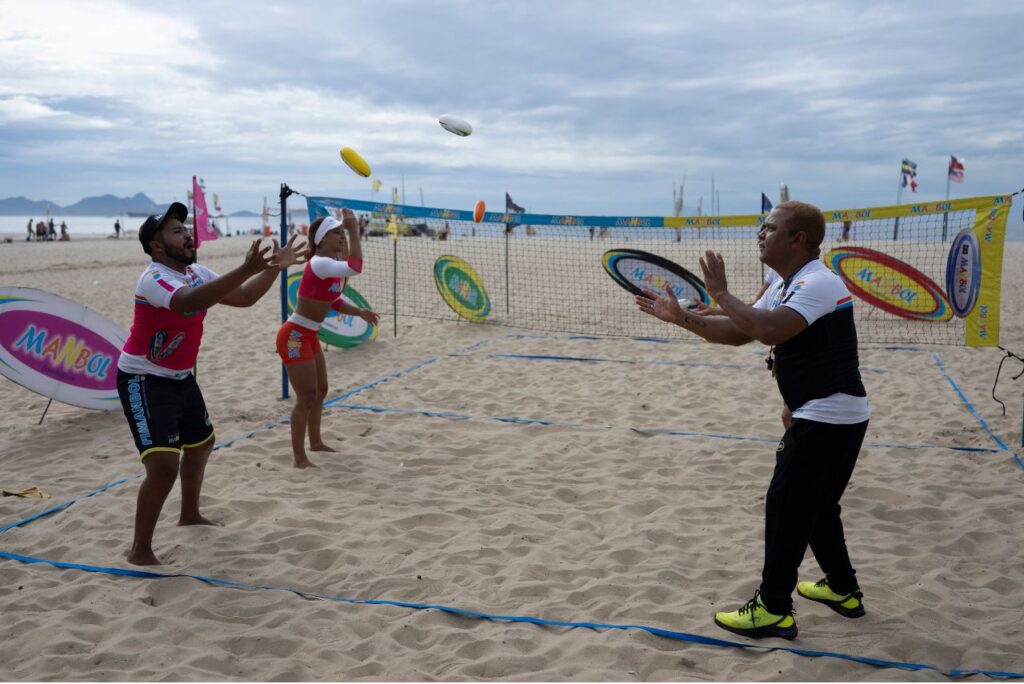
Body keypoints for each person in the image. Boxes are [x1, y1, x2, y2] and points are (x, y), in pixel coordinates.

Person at [635, 201, 869, 640]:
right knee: (817, 509)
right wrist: (684, 317)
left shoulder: (818, 282)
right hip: (829, 412)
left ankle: (774, 608)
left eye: (770, 227)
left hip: (828, 416)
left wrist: (721, 294)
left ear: (797, 239)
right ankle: (843, 589)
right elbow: (741, 332)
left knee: (785, 507)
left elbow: (768, 329)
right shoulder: (782, 281)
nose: (761, 233)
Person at [116, 202, 303, 565]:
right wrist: (245, 267)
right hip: (143, 377)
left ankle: (189, 515)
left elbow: (245, 297)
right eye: (175, 230)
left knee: (202, 444)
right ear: (156, 246)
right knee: (163, 467)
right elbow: (190, 301)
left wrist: (275, 268)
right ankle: (140, 551)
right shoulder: (153, 279)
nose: (186, 234)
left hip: (180, 376)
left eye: (185, 228)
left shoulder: (196, 271)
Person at [276, 209, 378, 469]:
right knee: (307, 397)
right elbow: (356, 267)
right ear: (321, 240)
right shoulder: (320, 263)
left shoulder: (328, 268)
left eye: (342, 233)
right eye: (336, 233)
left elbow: (333, 299)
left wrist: (359, 312)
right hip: (295, 335)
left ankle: (316, 442)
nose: (342, 237)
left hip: (309, 335)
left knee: (321, 392)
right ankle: (299, 459)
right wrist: (355, 230)